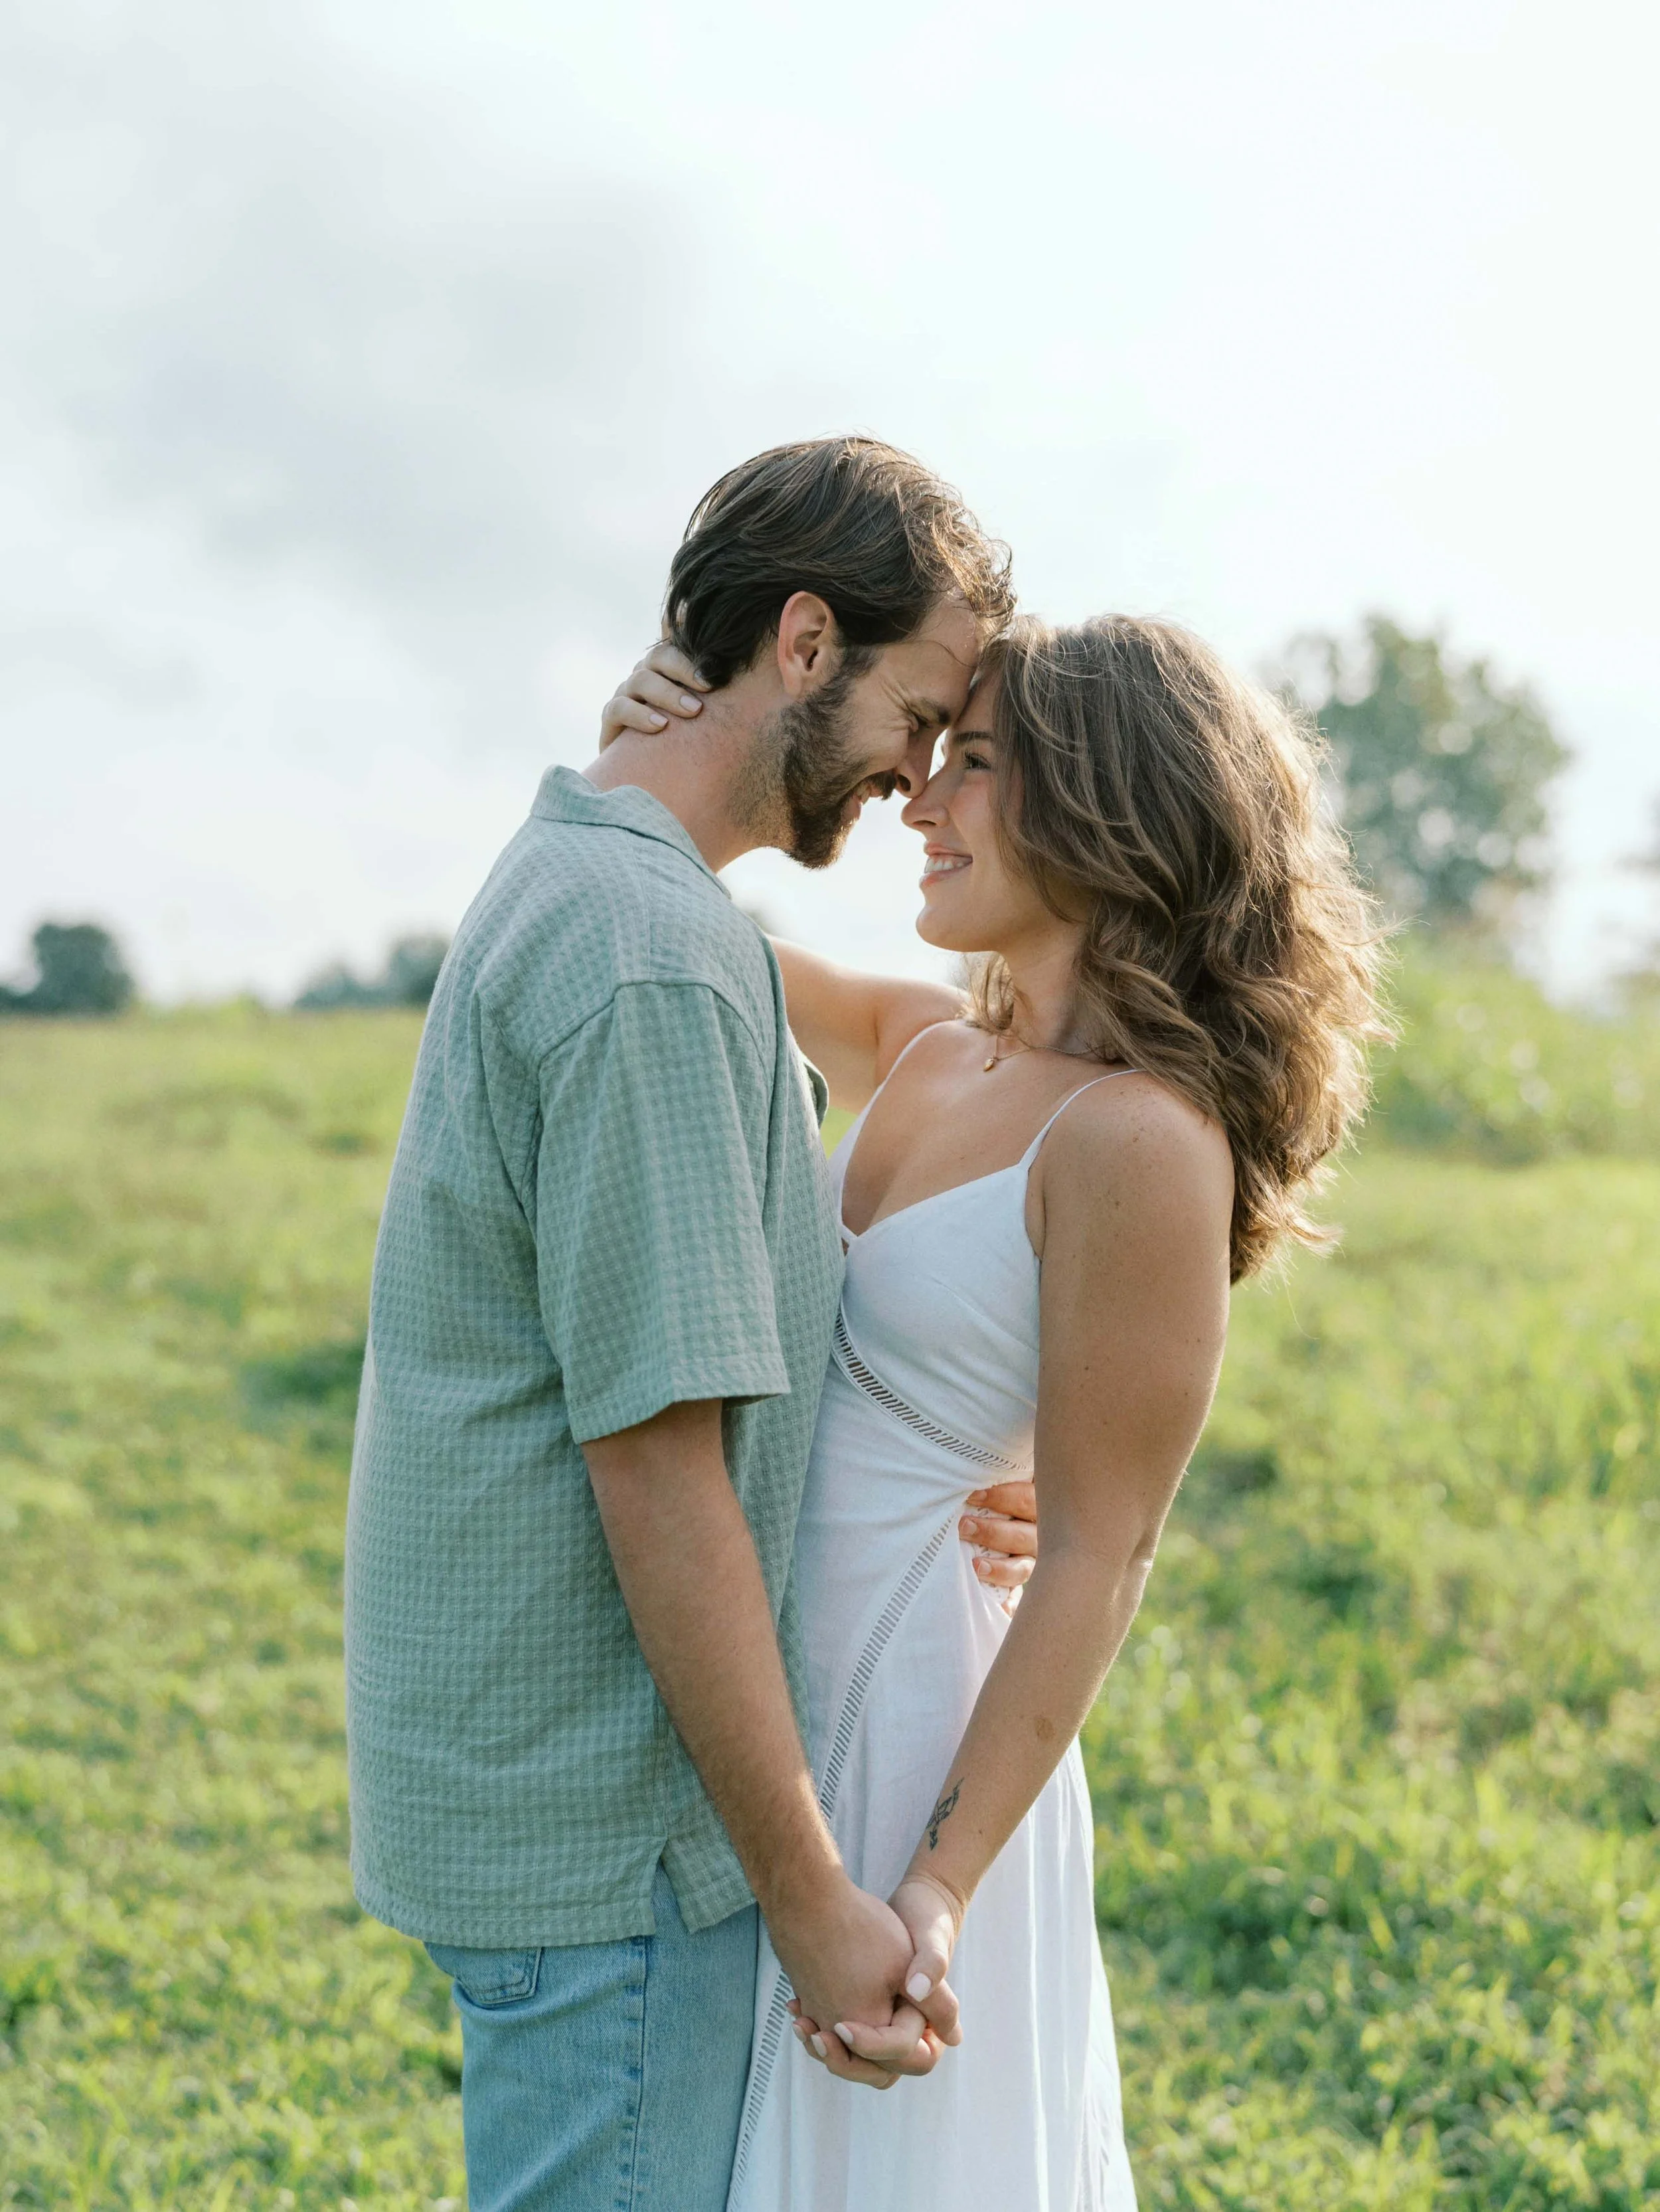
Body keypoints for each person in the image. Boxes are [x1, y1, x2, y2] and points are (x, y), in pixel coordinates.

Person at [601, 610, 1382, 2208]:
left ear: (1108, 804)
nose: (917, 801)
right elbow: (658, 935)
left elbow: (1101, 1552)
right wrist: (632, 768)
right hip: (758, 1693)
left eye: (972, 765)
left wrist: (938, 1888)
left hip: (919, 1735)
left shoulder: (1139, 1141)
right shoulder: (920, 1043)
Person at [343, 436, 1027, 2212]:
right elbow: (658, 1470)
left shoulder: (611, 881)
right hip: (612, 1823)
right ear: (804, 639)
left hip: (555, 1791)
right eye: (919, 711)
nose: (919, 774)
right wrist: (806, 1893)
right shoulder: (650, 958)